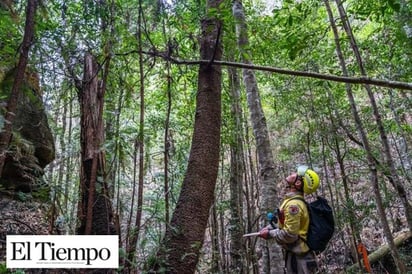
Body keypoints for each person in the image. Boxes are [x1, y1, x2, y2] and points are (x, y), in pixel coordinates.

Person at [258, 166, 320, 274]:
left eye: (296, 174)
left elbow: (290, 235)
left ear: (298, 183)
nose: (292, 173)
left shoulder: (294, 206)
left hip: (301, 261)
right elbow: (283, 224)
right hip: (295, 258)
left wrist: (270, 234)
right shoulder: (291, 201)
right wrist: (269, 228)